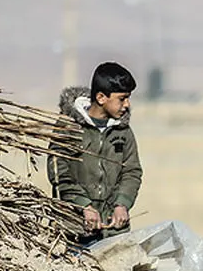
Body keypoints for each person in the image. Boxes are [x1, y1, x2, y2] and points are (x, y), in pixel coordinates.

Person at [47, 61, 143, 244]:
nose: (127, 105)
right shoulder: (68, 127)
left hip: (114, 232)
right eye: (122, 98)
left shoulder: (123, 131)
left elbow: (132, 171)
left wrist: (122, 204)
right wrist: (84, 206)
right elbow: (59, 175)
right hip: (74, 231)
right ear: (101, 98)